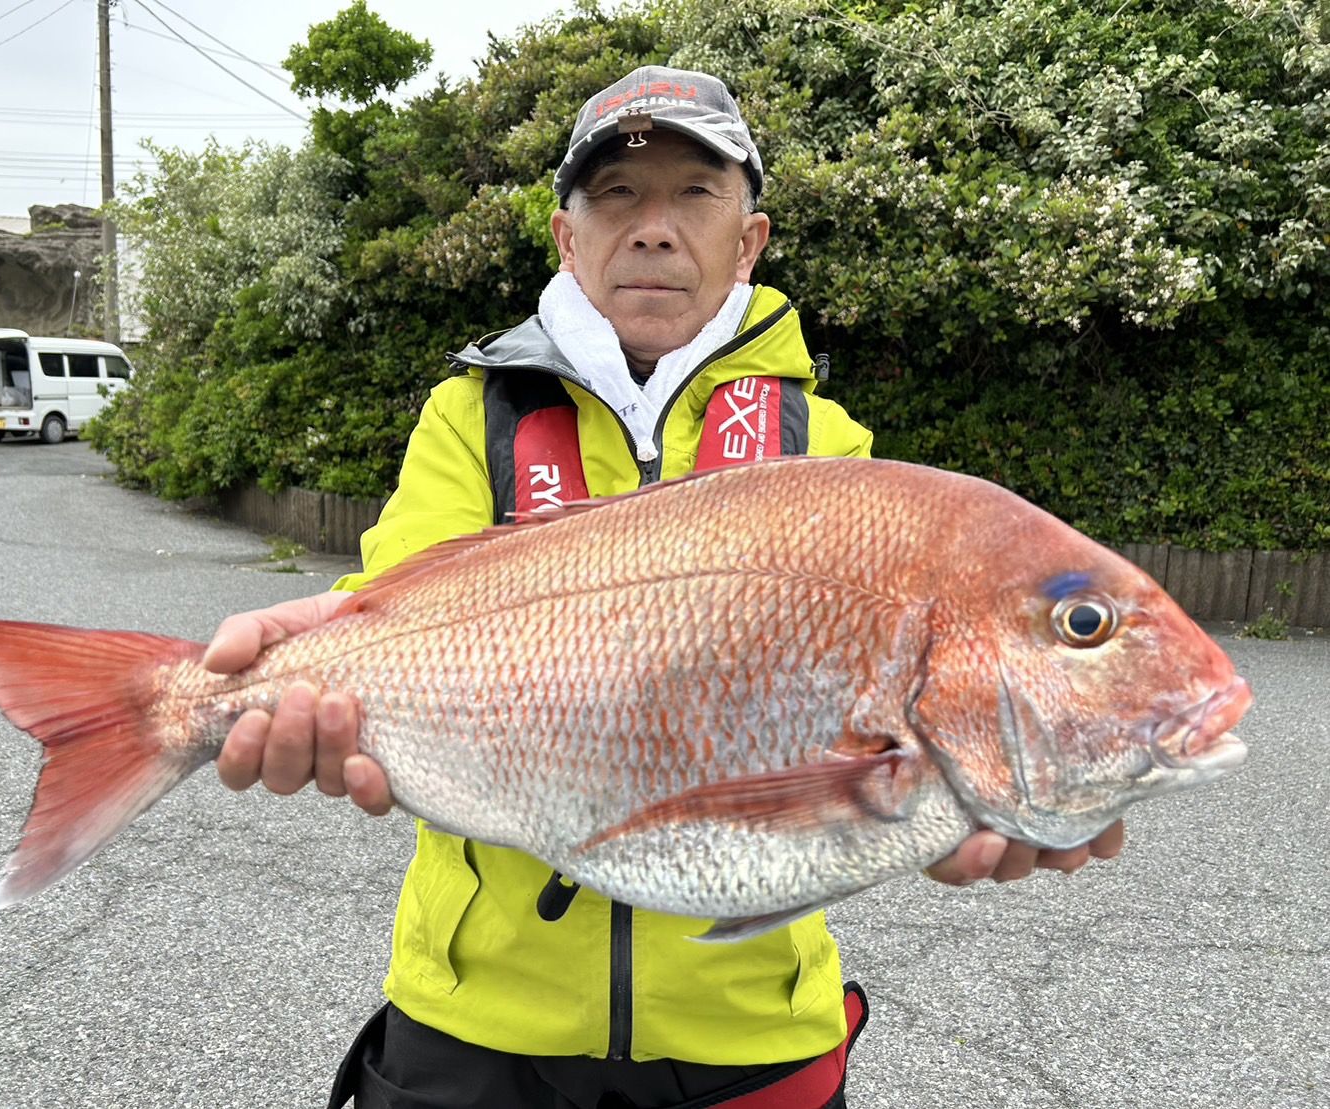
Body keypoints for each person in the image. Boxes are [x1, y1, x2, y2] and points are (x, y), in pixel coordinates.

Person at [202, 66, 1127, 1109]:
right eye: (616, 196)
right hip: (474, 1019)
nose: (653, 228)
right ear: (567, 238)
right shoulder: (472, 414)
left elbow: (873, 736)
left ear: (749, 239)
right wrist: (307, 677)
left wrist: (956, 796)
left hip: (753, 1028)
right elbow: (390, 611)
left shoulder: (826, 446)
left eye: (695, 193)